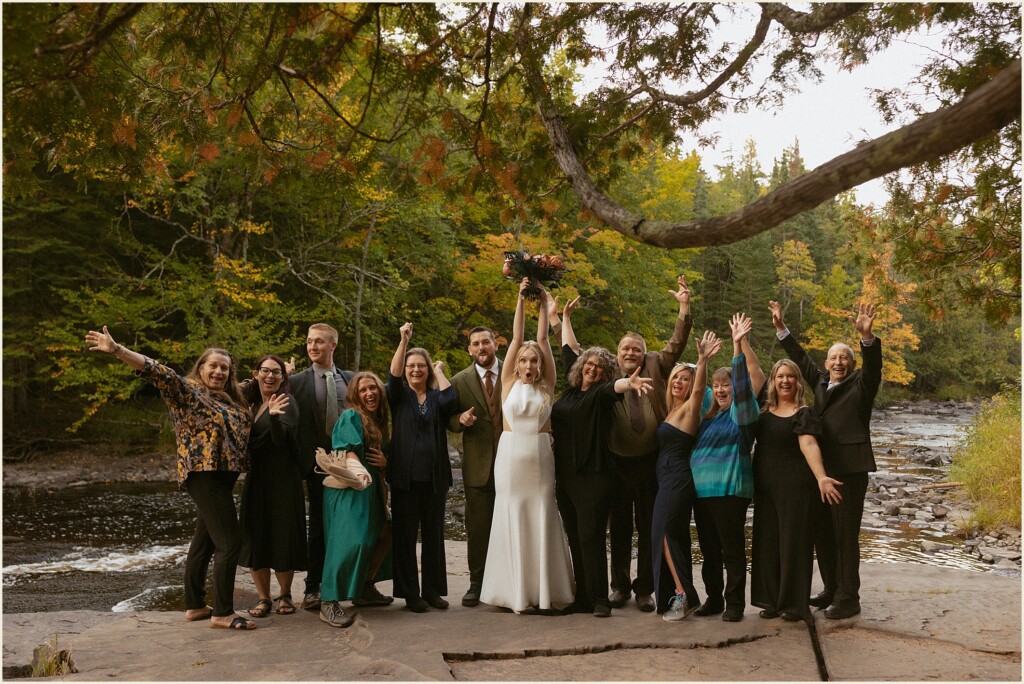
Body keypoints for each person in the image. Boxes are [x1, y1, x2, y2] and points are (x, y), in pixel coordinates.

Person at [84, 326, 256, 630]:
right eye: (212, 365)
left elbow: (254, 384)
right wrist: (117, 350)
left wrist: (281, 373)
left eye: (224, 368)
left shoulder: (230, 398)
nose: (218, 371)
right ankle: (223, 612)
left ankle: (193, 605)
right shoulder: (187, 391)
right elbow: (156, 370)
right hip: (204, 476)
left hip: (222, 479)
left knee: (204, 542)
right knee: (230, 542)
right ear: (200, 367)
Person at [770, 300, 881, 620]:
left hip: (849, 470)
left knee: (845, 535)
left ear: (851, 362)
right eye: (833, 357)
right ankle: (831, 588)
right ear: (826, 362)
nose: (838, 362)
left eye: (844, 357)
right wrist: (780, 328)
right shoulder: (818, 381)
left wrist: (868, 338)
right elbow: (800, 357)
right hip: (818, 471)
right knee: (822, 533)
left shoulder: (862, 384)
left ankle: (849, 598)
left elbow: (873, 365)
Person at [551, 296, 654, 618]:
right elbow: (568, 351)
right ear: (581, 369)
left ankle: (599, 600)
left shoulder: (601, 393)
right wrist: (564, 317)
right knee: (575, 538)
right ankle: (583, 596)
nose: (593, 370)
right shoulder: (569, 392)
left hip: (594, 476)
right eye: (589, 365)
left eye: (599, 367)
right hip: (565, 476)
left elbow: (616, 388)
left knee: (591, 538)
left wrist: (628, 382)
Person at [480, 279, 575, 613]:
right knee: (511, 512)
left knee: (542, 513)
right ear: (516, 364)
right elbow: (519, 338)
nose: (530, 366)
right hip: (510, 457)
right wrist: (521, 299)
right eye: (525, 361)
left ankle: (544, 592)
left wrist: (545, 301)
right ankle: (514, 593)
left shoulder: (547, 385)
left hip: (540, 457)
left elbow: (541, 339)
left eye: (534, 361)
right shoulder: (507, 382)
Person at [605, 277, 694, 612]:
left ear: (644, 353)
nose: (631, 353)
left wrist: (684, 308)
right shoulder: (608, 372)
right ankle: (619, 587)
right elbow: (572, 360)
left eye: (636, 349)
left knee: (647, 526)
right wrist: (557, 321)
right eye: (626, 348)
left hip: (649, 462)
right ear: (618, 354)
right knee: (620, 528)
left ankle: (645, 589)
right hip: (616, 462)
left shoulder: (657, 364)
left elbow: (676, 344)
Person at [750, 359, 844, 622]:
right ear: (773, 380)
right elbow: (751, 369)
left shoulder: (804, 412)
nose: (785, 381)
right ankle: (769, 600)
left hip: (797, 485)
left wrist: (821, 477)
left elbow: (809, 445)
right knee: (767, 540)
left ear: (797, 381)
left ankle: (792, 604)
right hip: (766, 484)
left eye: (791, 376)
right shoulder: (763, 410)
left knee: (793, 542)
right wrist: (740, 342)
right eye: (780, 376)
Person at [689, 313, 764, 623]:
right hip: (702, 493)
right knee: (709, 551)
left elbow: (747, 383)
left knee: (732, 550)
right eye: (717, 386)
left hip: (730, 490)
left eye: (727, 385)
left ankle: (734, 604)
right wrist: (702, 360)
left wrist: (737, 345)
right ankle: (713, 599)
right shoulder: (706, 415)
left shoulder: (741, 414)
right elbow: (697, 388)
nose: (721, 390)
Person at [387, 322, 461, 613]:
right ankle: (409, 593)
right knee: (405, 536)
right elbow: (392, 377)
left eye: (422, 366)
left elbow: (451, 399)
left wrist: (440, 371)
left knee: (433, 535)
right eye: (411, 366)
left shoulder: (434, 397)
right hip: (404, 478)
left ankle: (431, 591)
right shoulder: (398, 396)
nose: (416, 370)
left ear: (428, 370)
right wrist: (403, 341)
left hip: (434, 478)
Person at [651, 331, 721, 622]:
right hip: (667, 479)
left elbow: (699, 389)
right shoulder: (671, 410)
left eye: (685, 379)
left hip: (678, 478)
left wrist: (702, 361)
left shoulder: (691, 409)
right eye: (676, 378)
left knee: (665, 534)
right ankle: (679, 593)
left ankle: (684, 596)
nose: (679, 382)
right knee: (672, 536)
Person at [319, 372, 394, 628]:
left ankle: (363, 587)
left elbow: (381, 455)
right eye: (363, 390)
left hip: (372, 489)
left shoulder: (377, 420)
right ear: (355, 395)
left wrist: (385, 463)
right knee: (350, 542)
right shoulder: (351, 416)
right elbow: (346, 448)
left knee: (385, 533)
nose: (369, 393)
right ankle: (328, 601)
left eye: (373, 388)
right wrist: (360, 471)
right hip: (351, 487)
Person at [289, 323, 356, 611]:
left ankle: (353, 584)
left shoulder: (350, 379)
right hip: (314, 465)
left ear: (333, 345)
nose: (312, 346)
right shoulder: (296, 382)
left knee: (349, 526)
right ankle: (313, 587)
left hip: (348, 463)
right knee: (318, 526)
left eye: (319, 342)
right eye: (309, 341)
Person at [238, 354, 306, 618]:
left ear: (283, 379)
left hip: (283, 480)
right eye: (265, 371)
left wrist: (275, 418)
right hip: (257, 479)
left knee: (282, 536)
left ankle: (285, 594)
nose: (270, 377)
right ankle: (264, 598)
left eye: (276, 373)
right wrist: (284, 367)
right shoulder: (252, 402)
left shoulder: (287, 402)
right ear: (256, 374)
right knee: (257, 537)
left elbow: (280, 441)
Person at [447, 326, 503, 608]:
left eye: (486, 342)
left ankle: (510, 582)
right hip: (477, 467)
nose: (481, 348)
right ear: (469, 349)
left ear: (496, 345)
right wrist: (461, 421)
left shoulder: (514, 372)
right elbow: (449, 418)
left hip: (512, 463)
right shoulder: (459, 381)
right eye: (476, 344)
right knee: (478, 528)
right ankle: (476, 583)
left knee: (512, 524)